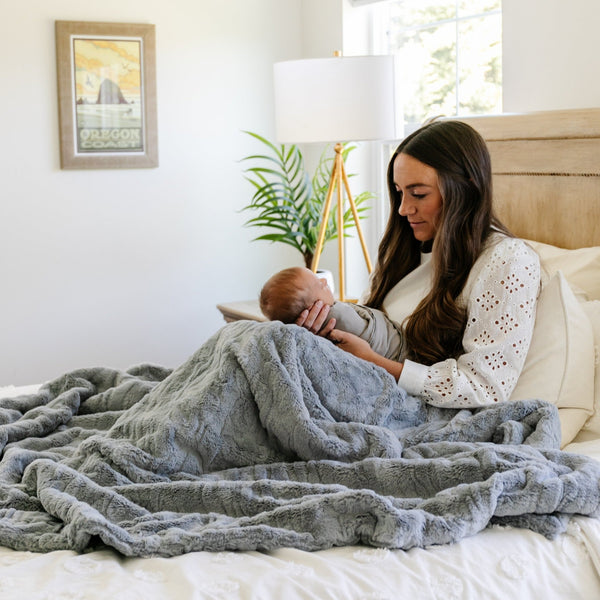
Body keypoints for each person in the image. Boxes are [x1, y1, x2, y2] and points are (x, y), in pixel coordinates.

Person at [295, 120, 541, 408]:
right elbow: (367, 330)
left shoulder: (508, 260)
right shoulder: (402, 251)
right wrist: (326, 330)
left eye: (419, 194)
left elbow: (484, 387)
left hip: (418, 412)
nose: (403, 209)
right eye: (399, 192)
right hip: (360, 391)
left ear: (467, 188)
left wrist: (376, 363)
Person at [259, 266, 404, 360]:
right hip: (399, 350)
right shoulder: (337, 318)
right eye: (320, 285)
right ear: (312, 308)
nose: (323, 280)